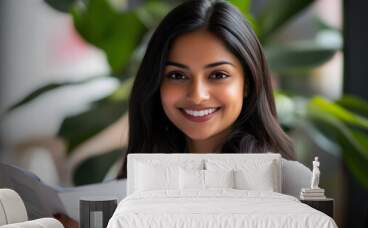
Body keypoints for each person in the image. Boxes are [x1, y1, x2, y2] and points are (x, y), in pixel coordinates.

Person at [116, 0, 295, 179]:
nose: (197, 96)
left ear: (247, 83)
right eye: (177, 75)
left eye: (218, 75)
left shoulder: (285, 183)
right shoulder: (131, 184)